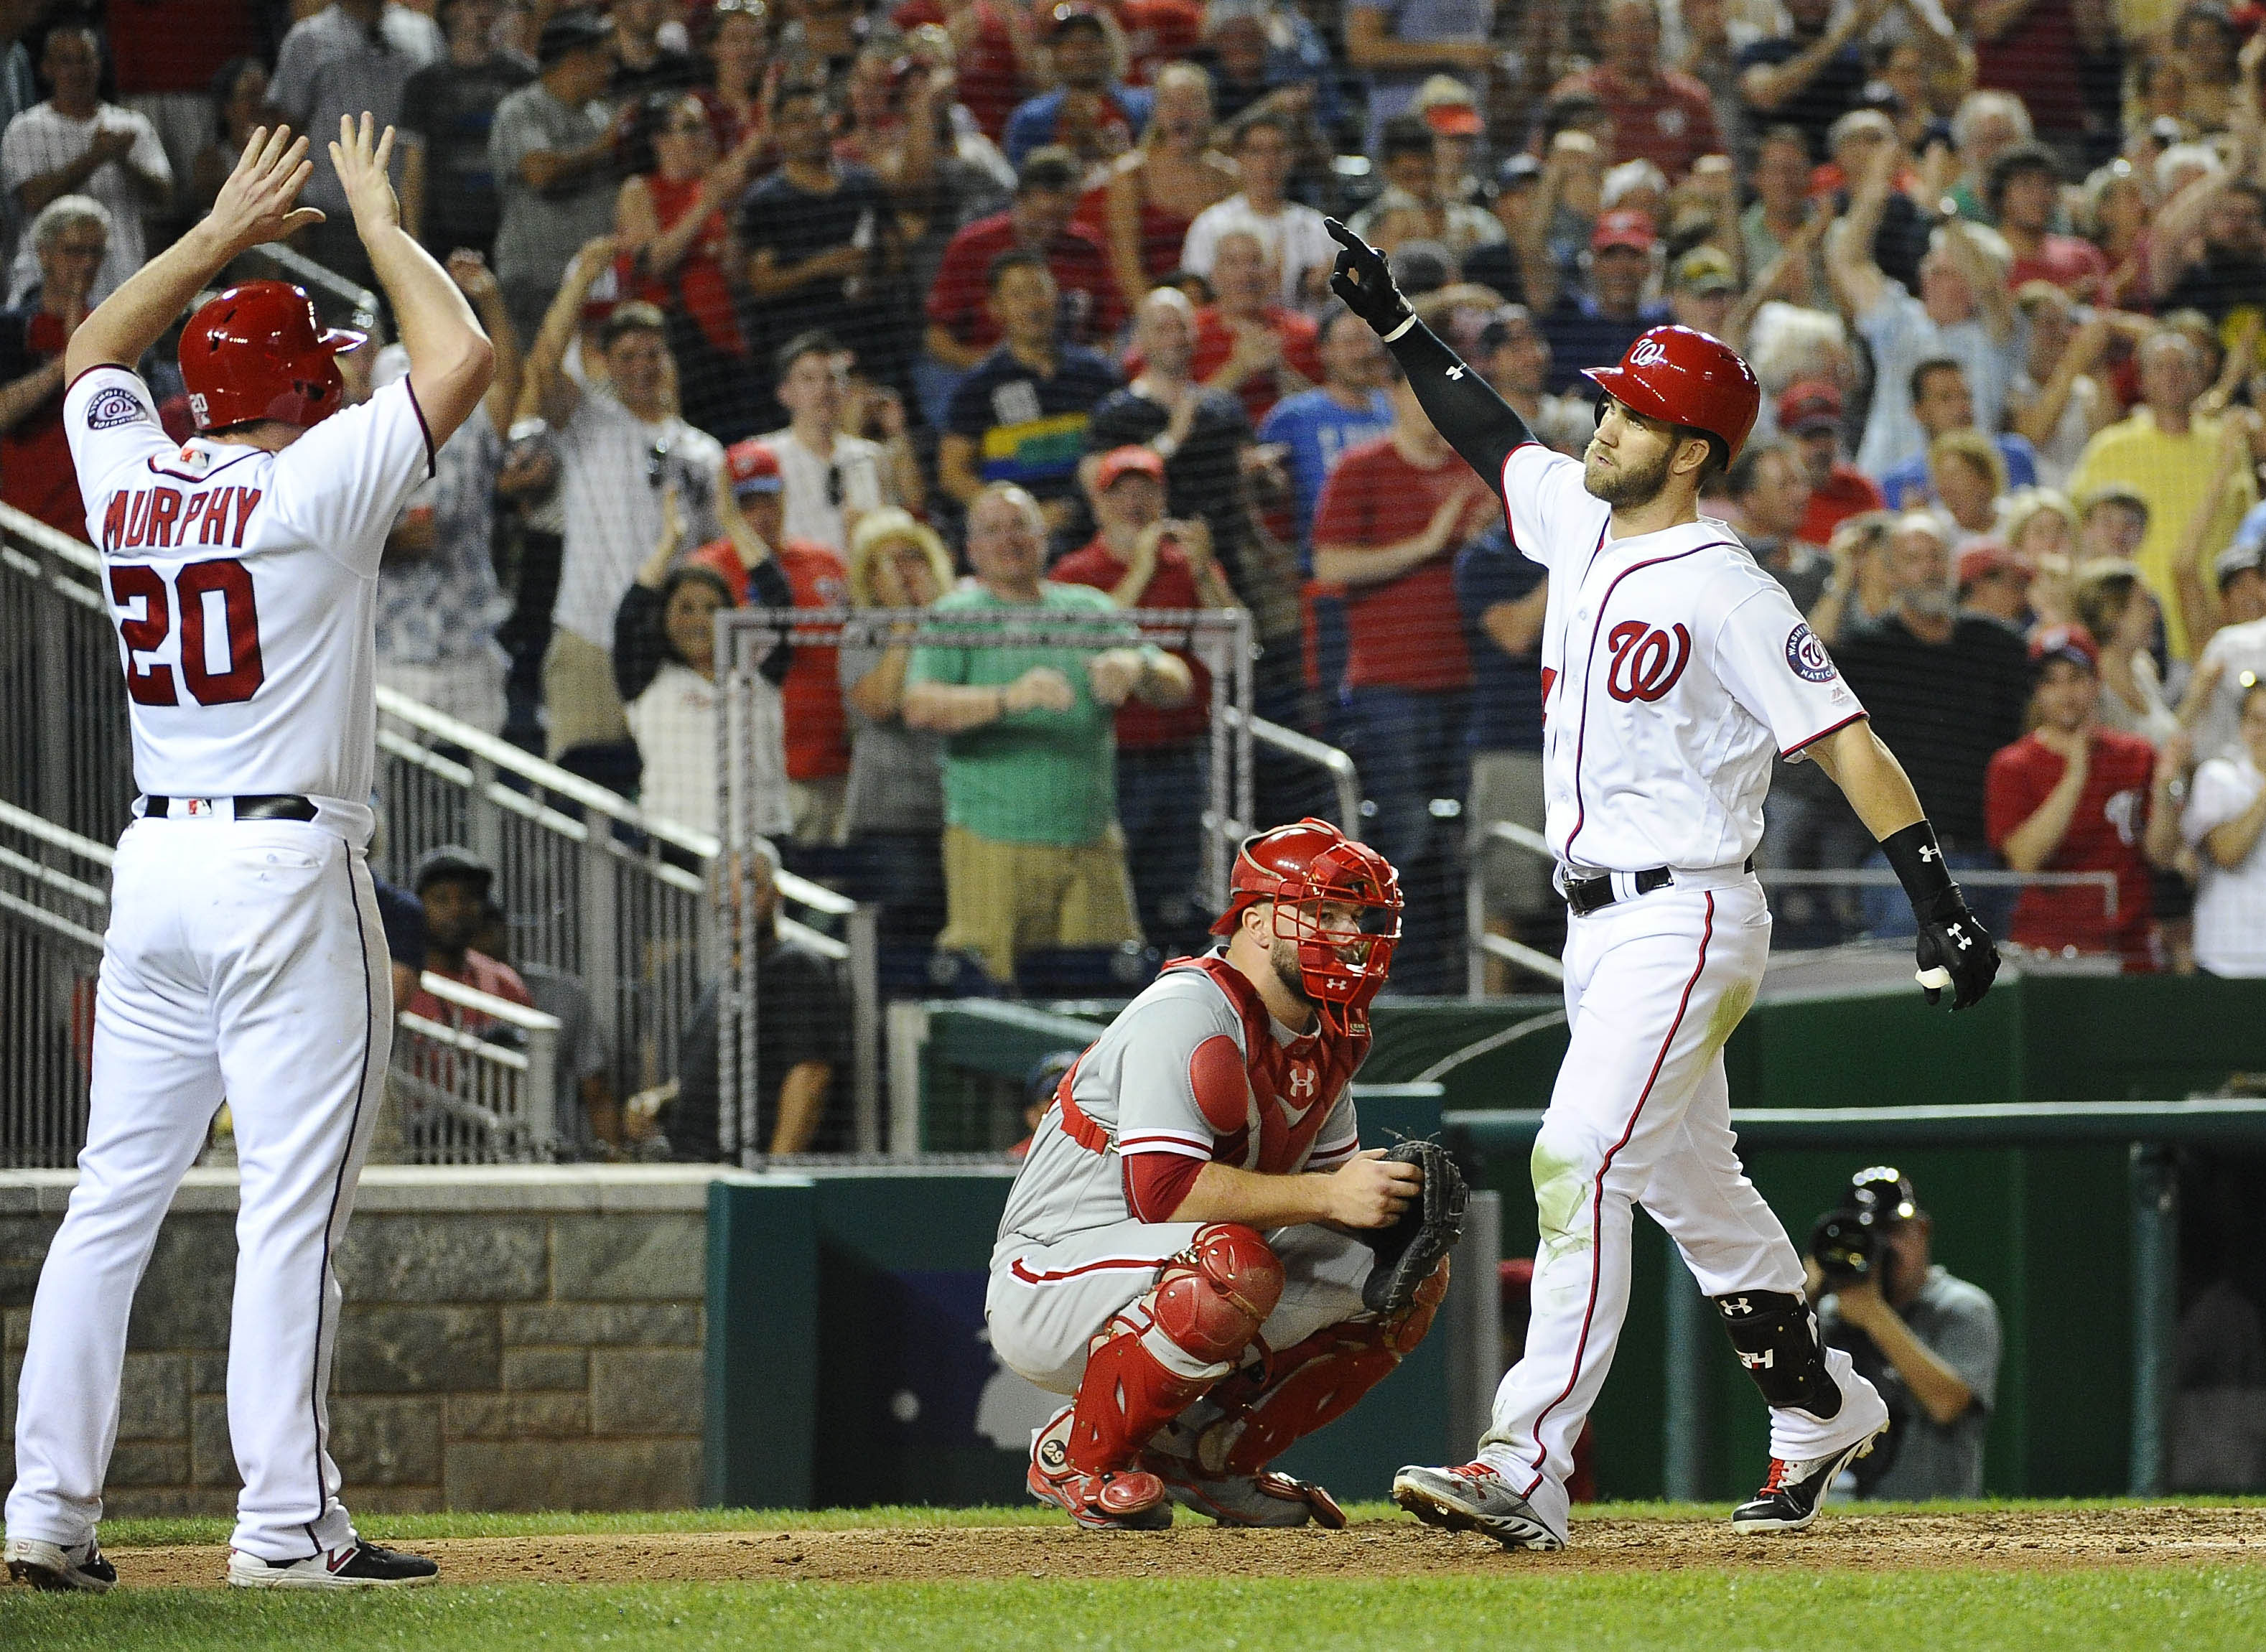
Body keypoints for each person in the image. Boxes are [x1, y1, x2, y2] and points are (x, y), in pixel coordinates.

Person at [1323, 221, 2000, 1551]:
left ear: (1692, 448)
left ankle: (1527, 1464)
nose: (1605, 421)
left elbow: (1845, 737)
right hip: (1597, 922)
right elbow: (1488, 432)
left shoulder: (1729, 588)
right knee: (1700, 1189)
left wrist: (1940, 904)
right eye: (1611, 401)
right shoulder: (1579, 520)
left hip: (1686, 909)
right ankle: (1819, 1407)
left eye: (1634, 412)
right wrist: (1397, 322)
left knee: (1577, 1158)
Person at [5, 115, 495, 1593]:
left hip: (150, 871)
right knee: (292, 1203)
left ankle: (44, 1509)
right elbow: (460, 355)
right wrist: (373, 215)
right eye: (328, 363)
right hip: (287, 872)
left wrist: (216, 235)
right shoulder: (314, 489)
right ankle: (284, 1527)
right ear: (295, 386)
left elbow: (93, 349)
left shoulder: (133, 472)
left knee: (111, 1199)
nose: (350, 370)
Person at [988, 818, 1437, 1529]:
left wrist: (1380, 1207)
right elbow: (1163, 1194)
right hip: (1051, 1278)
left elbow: (1318, 1208)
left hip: (1173, 1264)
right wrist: (1331, 1192)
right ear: (1257, 922)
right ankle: (1081, 1456)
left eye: (1359, 915)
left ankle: (1209, 1456)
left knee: (1409, 1273)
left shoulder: (1331, 1037)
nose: (1352, 932)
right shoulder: (1188, 1012)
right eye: (1327, 913)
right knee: (1231, 1263)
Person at [903, 483, 1188, 984]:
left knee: (1105, 996)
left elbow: (1177, 683)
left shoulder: (1090, 610)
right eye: (993, 530)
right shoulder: (955, 616)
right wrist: (1007, 698)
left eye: (1020, 526)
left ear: (1043, 537)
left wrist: (1135, 665)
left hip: (1091, 843)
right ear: (971, 550)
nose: (1009, 540)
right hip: (992, 844)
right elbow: (920, 705)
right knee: (993, 996)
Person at [1310, 350, 1491, 988]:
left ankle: (1455, 977)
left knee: (1466, 845)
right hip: (1392, 688)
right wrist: (1428, 543)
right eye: (1417, 393)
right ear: (1391, 398)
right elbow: (1330, 565)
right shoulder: (1361, 470)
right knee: (1407, 839)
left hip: (1472, 685)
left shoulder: (1474, 472)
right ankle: (1403, 981)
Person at [526, 242, 724, 778]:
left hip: (668, 647)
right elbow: (543, 368)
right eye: (628, 357)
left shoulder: (705, 453)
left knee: (671, 789)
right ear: (608, 365)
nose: (642, 367)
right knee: (576, 792)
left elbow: (714, 555)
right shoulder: (590, 424)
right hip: (587, 636)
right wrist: (580, 280)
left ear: (670, 360)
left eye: (653, 354)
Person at [1052, 445, 1236, 949]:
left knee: (1176, 891)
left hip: (1179, 754)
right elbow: (1077, 641)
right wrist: (1141, 568)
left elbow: (1238, 642)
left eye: (1146, 491)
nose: (1134, 503)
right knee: (1111, 882)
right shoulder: (1075, 571)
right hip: (1105, 758)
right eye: (1121, 493)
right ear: (1099, 503)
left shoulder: (1190, 567)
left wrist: (1202, 572)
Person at [1833, 511, 2033, 934]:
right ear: (1890, 573)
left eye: (1937, 557)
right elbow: (1801, 665)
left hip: (1989, 857)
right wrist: (1842, 577)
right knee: (1910, 987)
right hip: (1901, 858)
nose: (1929, 570)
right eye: (1913, 559)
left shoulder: (1998, 644)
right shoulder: (1867, 652)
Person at [375, 251, 522, 735]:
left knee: (481, 800)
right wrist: (389, 543)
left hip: (468, 646)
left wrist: (491, 300)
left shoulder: (474, 417)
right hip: (392, 649)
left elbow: (507, 385)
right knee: (390, 803)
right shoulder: (383, 387)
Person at [684, 440, 855, 846]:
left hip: (837, 764)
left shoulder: (825, 563)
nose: (759, 515)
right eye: (745, 504)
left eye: (767, 500)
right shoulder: (705, 572)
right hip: (757, 771)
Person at [1985, 624, 2184, 968]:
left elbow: (2162, 855)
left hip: (2128, 947)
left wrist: (2166, 789)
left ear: (2096, 683)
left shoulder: (2137, 755)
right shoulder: (2012, 765)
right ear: (2036, 692)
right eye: (2051, 681)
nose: (2065, 693)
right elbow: (2025, 861)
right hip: (2047, 949)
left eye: (2075, 678)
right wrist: (2076, 774)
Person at [648, 839, 853, 1156]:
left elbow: (810, 1075)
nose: (734, 901)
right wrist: (660, 1101)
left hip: (747, 1177)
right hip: (700, 1169)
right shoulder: (720, 981)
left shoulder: (795, 967)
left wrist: (772, 1184)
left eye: (749, 886)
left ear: (776, 895)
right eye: (723, 888)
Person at [1828, 144, 2020, 482]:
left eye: (1946, 272)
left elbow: (1989, 287)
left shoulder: (1996, 336)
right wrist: (1876, 188)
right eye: (1930, 266)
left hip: (1967, 494)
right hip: (1886, 489)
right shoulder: (1902, 320)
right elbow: (1848, 260)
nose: (1929, 276)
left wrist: (1941, 214)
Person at [1809, 1168, 2003, 1501]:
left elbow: (1947, 1404)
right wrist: (1801, 1301)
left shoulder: (1962, 1308)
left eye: (1892, 1230)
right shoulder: (1831, 1313)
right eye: (1869, 1234)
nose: (1883, 1247)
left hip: (1934, 1525)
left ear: (1922, 1231)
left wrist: (1875, 1317)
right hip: (1842, 1520)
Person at [2066, 330, 2259, 662]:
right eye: (2160, 366)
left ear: (2201, 376)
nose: (2172, 375)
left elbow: (2248, 536)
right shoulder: (2109, 448)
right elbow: (2074, 535)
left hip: (2209, 633)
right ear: (2142, 380)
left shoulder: (2228, 446)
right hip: (2131, 635)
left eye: (2183, 366)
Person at [614, 92, 764, 444]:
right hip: (678, 351)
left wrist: (728, 216)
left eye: (705, 129)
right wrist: (705, 205)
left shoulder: (713, 190)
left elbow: (738, 274)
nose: (704, 138)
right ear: (661, 140)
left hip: (728, 349)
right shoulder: (641, 190)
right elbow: (654, 263)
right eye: (691, 128)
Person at [839, 507, 956, 952]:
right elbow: (881, 703)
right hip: (890, 821)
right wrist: (907, 622)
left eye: (912, 557)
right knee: (902, 944)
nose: (905, 571)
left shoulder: (960, 625)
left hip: (958, 814)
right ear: (870, 578)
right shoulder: (862, 634)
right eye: (889, 563)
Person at [739, 84, 907, 393]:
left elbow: (895, 253)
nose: (811, 128)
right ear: (778, 130)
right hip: (799, 343)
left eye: (818, 117)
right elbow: (760, 282)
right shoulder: (765, 199)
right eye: (798, 120)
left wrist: (873, 274)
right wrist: (823, 266)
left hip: (869, 335)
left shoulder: (864, 182)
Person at [938, 251, 1122, 533]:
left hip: (1100, 525)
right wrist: (1017, 516)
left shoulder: (1097, 373)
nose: (1032, 305)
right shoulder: (979, 386)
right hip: (1019, 538)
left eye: (1039, 290)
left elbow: (1124, 449)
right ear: (996, 308)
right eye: (1018, 295)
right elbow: (953, 474)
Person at [266, 0, 444, 288]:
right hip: (332, 219)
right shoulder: (307, 40)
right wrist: (288, 209)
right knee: (339, 321)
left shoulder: (423, 33)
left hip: (409, 213)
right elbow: (286, 130)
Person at [925, 145, 1125, 394]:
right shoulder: (971, 246)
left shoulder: (1087, 247)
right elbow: (937, 338)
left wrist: (1080, 367)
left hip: (1069, 379)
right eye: (1041, 216)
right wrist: (999, 370)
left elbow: (1110, 332)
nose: (1050, 228)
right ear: (1018, 199)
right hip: (984, 377)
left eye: (1061, 218)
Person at [1, 24, 170, 307]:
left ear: (99, 65)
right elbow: (32, 199)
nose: (78, 71)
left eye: (85, 60)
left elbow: (164, 197)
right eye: (66, 61)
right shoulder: (24, 128)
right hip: (46, 291)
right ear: (46, 68)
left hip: (123, 280)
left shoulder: (131, 125)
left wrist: (123, 159)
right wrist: (96, 156)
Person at [1455, 518, 1552, 986]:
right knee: (1506, 899)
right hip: (1515, 745)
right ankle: (1492, 1014)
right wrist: (1574, 561)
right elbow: (1514, 631)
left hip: (1600, 749)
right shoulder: (1488, 554)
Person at [488, 9, 622, 349]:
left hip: (594, 281)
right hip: (536, 280)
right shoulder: (522, 109)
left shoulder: (599, 114)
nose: (610, 71)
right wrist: (601, 148)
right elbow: (539, 173)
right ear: (576, 60)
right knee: (541, 380)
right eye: (603, 60)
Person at [0, 194, 105, 537]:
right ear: (44, 254)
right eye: (75, 251)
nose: (87, 263)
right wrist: (69, 361)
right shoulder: (12, 329)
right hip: (23, 518)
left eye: (95, 252)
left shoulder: (115, 328)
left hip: (90, 516)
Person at [398, 0, 533, 264]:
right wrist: (412, 243)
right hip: (443, 233)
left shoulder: (522, 77)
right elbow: (413, 172)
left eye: (492, 4)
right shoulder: (425, 84)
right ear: (451, 10)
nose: (485, 11)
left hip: (509, 236)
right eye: (473, 3)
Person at [1257, 305, 1394, 554]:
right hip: (1322, 566)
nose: (1362, 354)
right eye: (1351, 343)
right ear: (1325, 352)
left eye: (1368, 342)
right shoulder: (1293, 416)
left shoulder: (1398, 409)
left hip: (1395, 557)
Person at [1097, 60, 1236, 304]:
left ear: (1209, 110)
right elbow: (1127, 267)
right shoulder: (1130, 176)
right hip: (1152, 315)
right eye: (1171, 102)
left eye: (1192, 101)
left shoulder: (1229, 178)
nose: (1180, 112)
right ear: (1157, 113)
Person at [1178, 110, 1337, 309]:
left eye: (1278, 150)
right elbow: (1195, 298)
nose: (1268, 162)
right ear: (1239, 158)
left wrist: (1322, 289)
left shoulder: (1317, 228)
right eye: (1256, 151)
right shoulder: (1211, 225)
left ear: (1292, 157)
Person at [761, 330, 900, 554]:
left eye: (832, 378)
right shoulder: (765, 457)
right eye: (809, 379)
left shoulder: (870, 456)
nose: (823, 390)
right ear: (785, 393)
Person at [1552, 0, 1724, 180]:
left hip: (1671, 203)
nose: (1634, 38)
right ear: (1604, 36)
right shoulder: (1576, 97)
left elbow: (1716, 165)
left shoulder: (1690, 97)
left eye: (1642, 27)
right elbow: (1546, 169)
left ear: (1658, 32)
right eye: (1624, 29)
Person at [1537, 210, 1672, 398]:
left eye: (1633, 256)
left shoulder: (1664, 329)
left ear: (1651, 265)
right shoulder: (1567, 316)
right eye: (1610, 255)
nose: (1622, 268)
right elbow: (1531, 252)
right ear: (1592, 263)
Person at [1875, 358, 2040, 511]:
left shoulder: (2014, 456)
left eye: (1966, 396)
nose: (1962, 407)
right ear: (1919, 412)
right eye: (1946, 398)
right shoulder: (1899, 483)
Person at [2183, 674, 2266, 976]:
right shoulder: (2218, 777)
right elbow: (2226, 853)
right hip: (2227, 962)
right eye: (2258, 721)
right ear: (2244, 727)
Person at [1002, 2, 1152, 167]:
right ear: (1053, 54)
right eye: (1071, 43)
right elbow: (1025, 184)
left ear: (1111, 47)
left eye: (1092, 41)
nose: (1083, 50)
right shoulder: (1031, 119)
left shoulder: (1146, 107)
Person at [402, 845, 536, 1030]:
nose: (456, 910)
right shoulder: (399, 979)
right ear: (415, 905)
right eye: (441, 899)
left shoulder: (503, 983)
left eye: (468, 897)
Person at [1777, 381, 1885, 546]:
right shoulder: (1776, 495)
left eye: (1827, 435)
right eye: (1810, 437)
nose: (1821, 448)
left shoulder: (1860, 488)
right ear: (1784, 440)